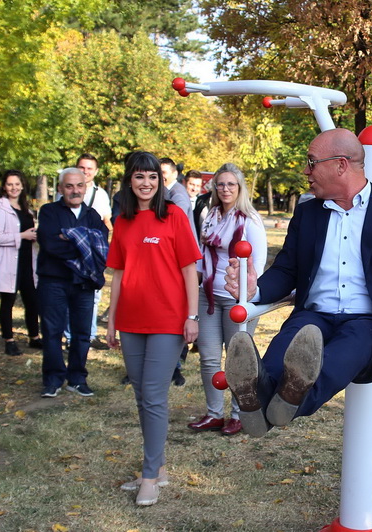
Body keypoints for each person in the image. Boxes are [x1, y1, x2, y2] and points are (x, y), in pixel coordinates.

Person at [223, 128, 372, 438]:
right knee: (286, 347)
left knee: (345, 351)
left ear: (340, 165)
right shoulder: (307, 213)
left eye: (312, 162)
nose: (305, 170)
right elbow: (286, 270)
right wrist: (253, 288)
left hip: (370, 322)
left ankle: (271, 405)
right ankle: (260, 397)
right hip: (313, 314)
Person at [106, 151, 201, 506]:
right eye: (139, 177)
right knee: (141, 396)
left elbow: (190, 270)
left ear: (160, 182)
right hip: (130, 320)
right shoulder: (123, 221)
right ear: (129, 181)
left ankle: (149, 475)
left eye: (152, 177)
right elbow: (117, 274)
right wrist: (111, 319)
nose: (146, 183)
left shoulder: (174, 215)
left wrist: (191, 316)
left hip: (167, 321)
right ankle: (157, 467)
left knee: (154, 396)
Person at [188, 163, 267, 436]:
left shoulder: (249, 219)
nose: (225, 189)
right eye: (220, 184)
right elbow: (201, 252)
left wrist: (247, 297)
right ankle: (213, 414)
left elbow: (258, 261)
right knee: (209, 358)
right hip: (208, 296)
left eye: (231, 184)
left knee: (237, 360)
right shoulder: (210, 215)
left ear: (240, 188)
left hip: (237, 300)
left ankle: (237, 414)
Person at [37, 167, 108, 398]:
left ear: (85, 187)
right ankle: (53, 379)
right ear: (60, 189)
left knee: (81, 333)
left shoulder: (94, 216)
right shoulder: (48, 212)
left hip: (84, 283)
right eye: (69, 186)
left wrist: (69, 237)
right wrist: (84, 242)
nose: (75, 190)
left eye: (79, 185)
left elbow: (100, 249)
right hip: (53, 281)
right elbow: (50, 245)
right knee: (52, 331)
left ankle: (77, 378)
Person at [0, 170, 41, 356]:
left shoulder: (25, 207)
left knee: (32, 300)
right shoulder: (0, 207)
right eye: (10, 184)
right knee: (8, 301)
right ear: (4, 186)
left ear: (22, 185)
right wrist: (22, 236)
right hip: (9, 262)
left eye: (17, 184)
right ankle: (9, 340)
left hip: (27, 260)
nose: (14, 188)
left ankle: (34, 337)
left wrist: (34, 236)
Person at [160, 157, 198, 385]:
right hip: (173, 262)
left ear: (175, 173)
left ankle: (174, 366)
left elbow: (174, 229)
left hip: (179, 262)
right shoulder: (168, 192)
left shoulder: (178, 195)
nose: (160, 176)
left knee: (177, 314)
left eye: (164, 171)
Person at [76, 154, 111, 350]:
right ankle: (71, 336)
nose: (85, 171)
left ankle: (90, 334)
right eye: (82, 167)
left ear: (95, 171)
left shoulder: (101, 195)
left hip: (94, 254)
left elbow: (107, 222)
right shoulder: (66, 189)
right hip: (72, 252)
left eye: (89, 168)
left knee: (94, 294)